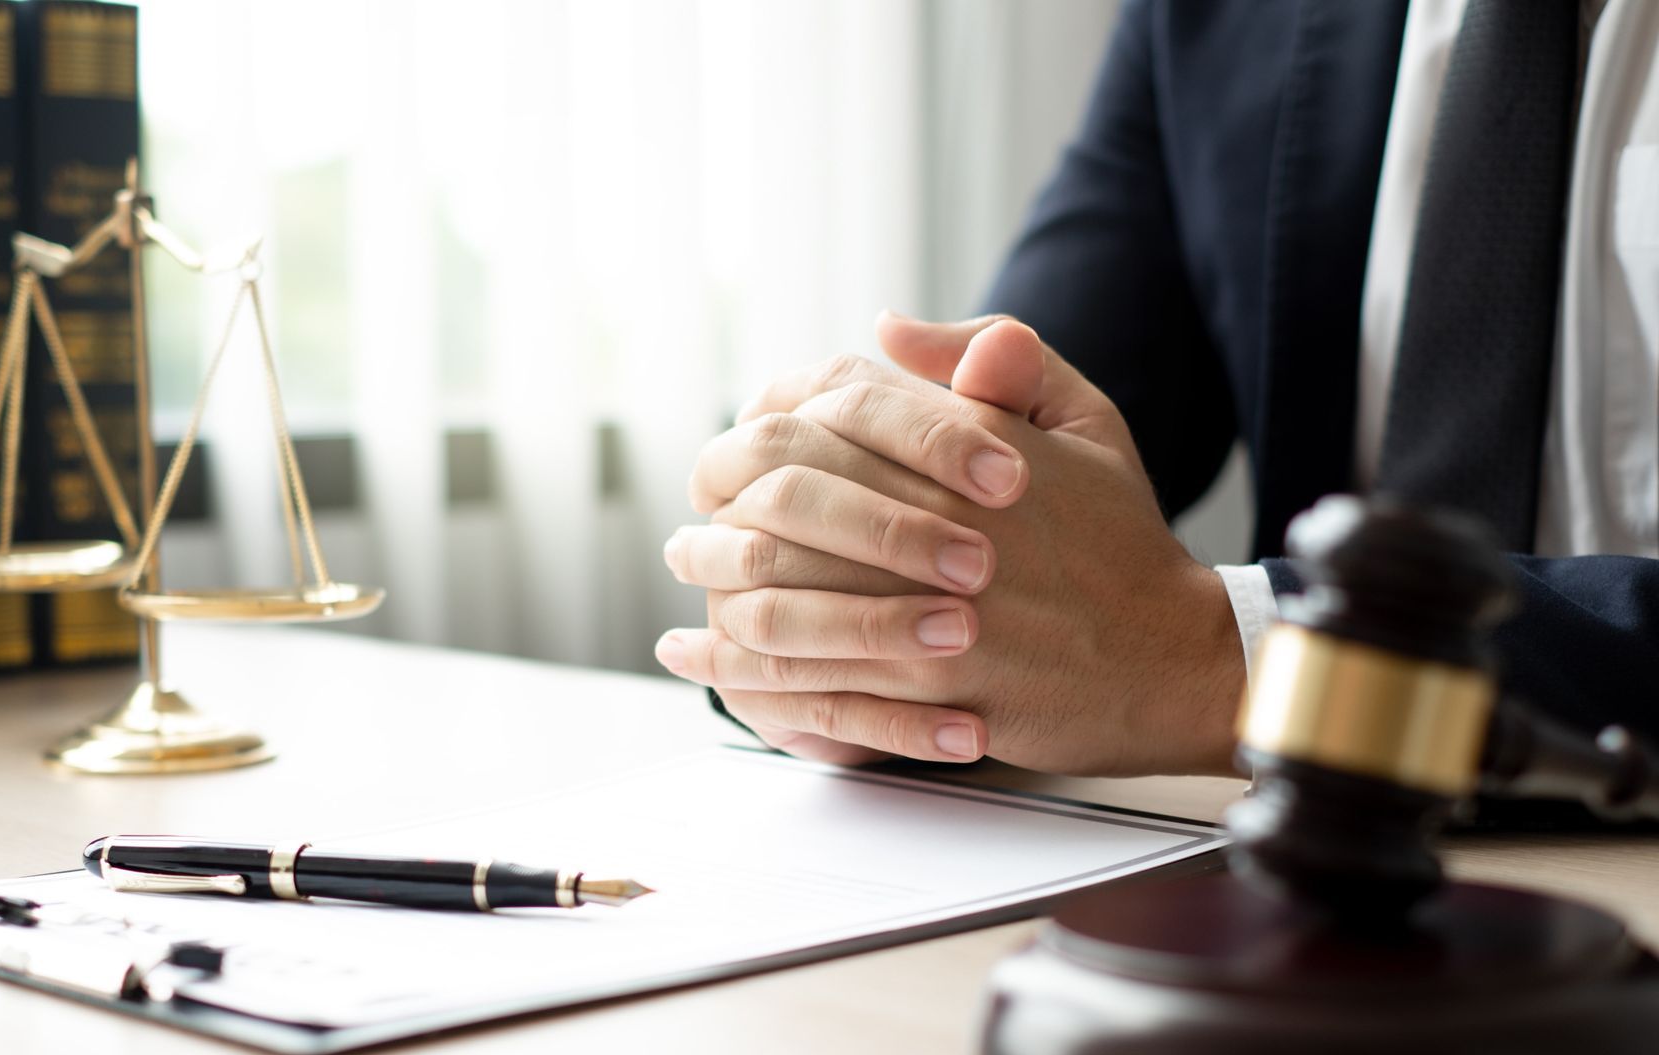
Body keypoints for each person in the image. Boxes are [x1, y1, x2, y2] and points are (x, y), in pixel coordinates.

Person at [654, 0, 1659, 780]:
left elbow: (1157, 638)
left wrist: (1237, 661)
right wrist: (846, 600)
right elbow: (1008, 452)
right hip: (1299, 913)